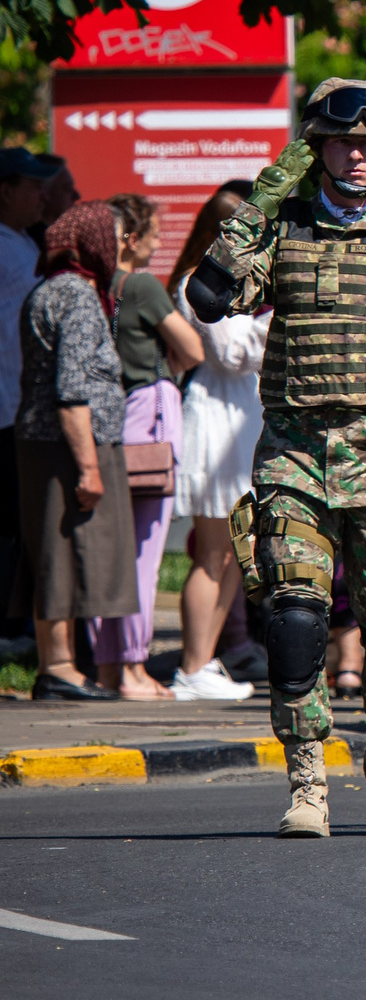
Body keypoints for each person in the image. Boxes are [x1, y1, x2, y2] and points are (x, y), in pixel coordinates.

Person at [187, 81, 366, 836]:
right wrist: (256, 206)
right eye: (344, 142)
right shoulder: (281, 228)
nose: (358, 155)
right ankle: (307, 777)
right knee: (295, 621)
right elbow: (209, 296)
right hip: (296, 456)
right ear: (316, 149)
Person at [13, 201, 136, 700]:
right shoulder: (77, 296)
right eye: (115, 235)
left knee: (52, 554)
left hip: (46, 442)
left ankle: (58, 663)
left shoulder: (50, 288)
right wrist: (89, 467)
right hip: (70, 446)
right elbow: (72, 389)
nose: (120, 246)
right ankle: (59, 665)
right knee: (63, 555)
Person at [86, 195, 200, 699]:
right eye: (153, 230)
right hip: (150, 417)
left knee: (107, 549)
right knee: (144, 552)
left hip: (109, 418)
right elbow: (192, 348)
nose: (159, 238)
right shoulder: (144, 286)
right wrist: (165, 375)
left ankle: (105, 664)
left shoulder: (97, 285)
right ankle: (133, 666)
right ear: (131, 238)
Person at [169, 183, 264, 701]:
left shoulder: (236, 283)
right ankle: (191, 665)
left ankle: (204, 662)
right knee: (211, 553)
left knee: (232, 553)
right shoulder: (196, 283)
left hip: (240, 420)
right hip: (215, 421)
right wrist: (279, 320)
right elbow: (231, 354)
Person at [0, 149, 62, 651]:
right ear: (5, 190)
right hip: (6, 405)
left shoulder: (22, 241)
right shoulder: (4, 248)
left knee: (20, 524)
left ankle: (15, 626)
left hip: (21, 407)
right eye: (33, 186)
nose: (43, 196)